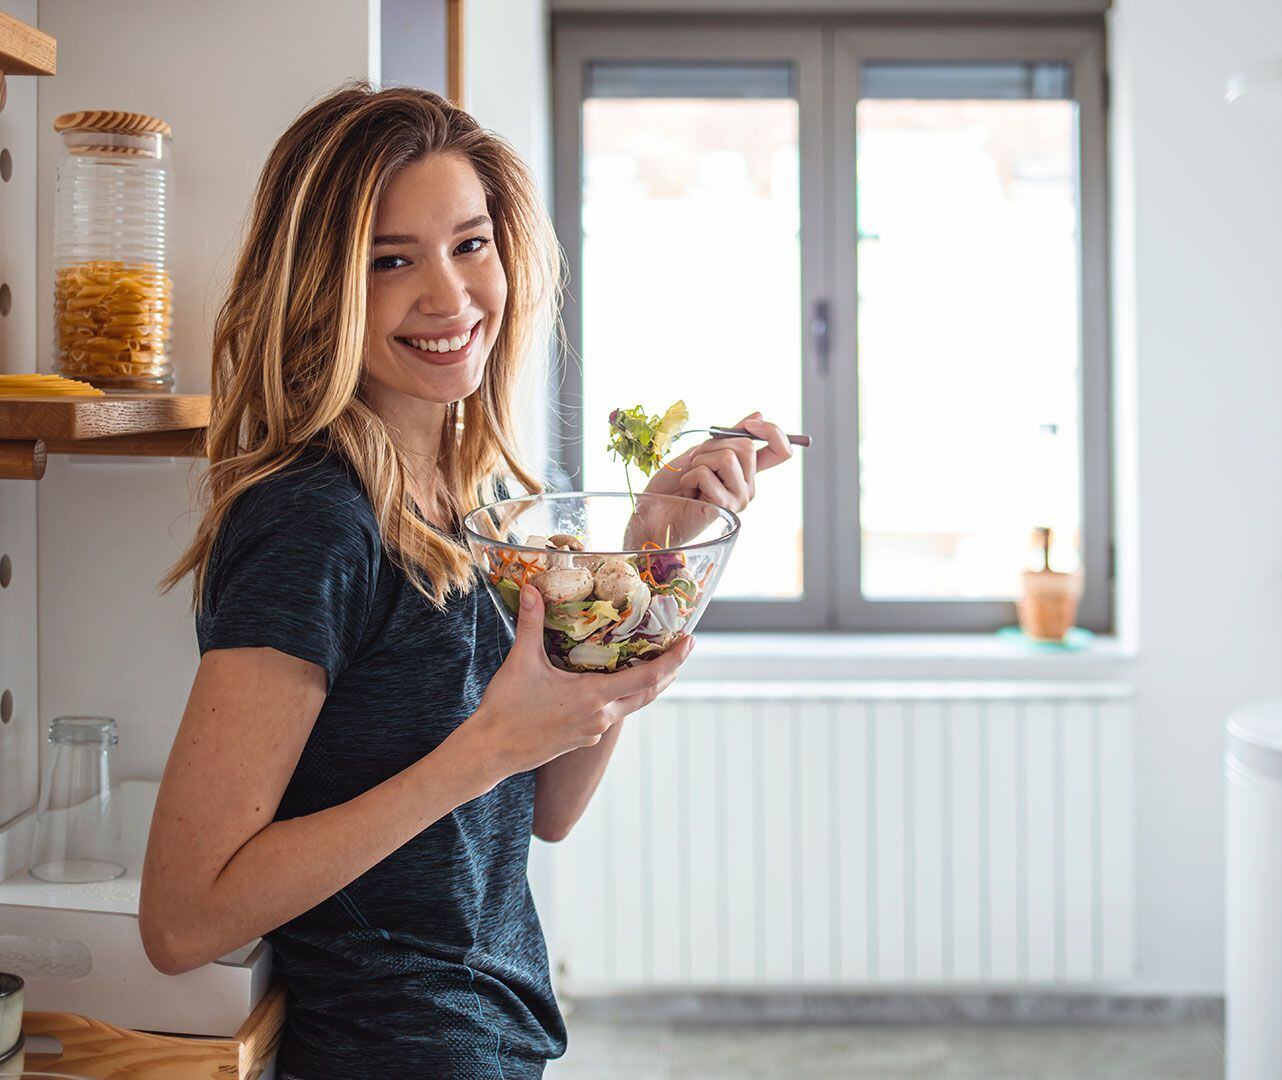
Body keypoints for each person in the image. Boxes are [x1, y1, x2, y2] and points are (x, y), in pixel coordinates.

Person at [136, 83, 792, 1078]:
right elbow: (183, 917)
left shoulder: (475, 497)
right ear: (320, 286)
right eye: (390, 260)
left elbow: (548, 805)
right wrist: (486, 748)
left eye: (469, 243)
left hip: (498, 1037)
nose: (450, 298)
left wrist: (652, 554)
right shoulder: (314, 520)